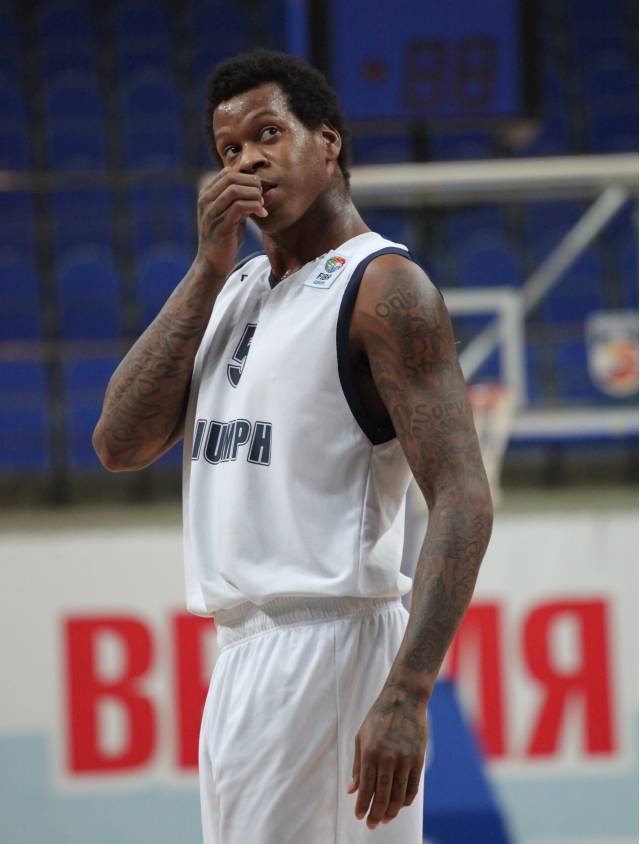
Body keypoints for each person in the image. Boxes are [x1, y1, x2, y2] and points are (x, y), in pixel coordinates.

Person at [93, 49, 493, 844]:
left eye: (268, 134)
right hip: (243, 657)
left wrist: (409, 690)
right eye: (230, 149)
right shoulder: (233, 291)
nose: (248, 160)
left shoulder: (383, 289)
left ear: (328, 142)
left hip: (332, 646)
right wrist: (206, 268)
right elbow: (118, 442)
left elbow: (463, 494)